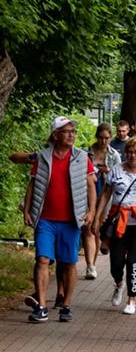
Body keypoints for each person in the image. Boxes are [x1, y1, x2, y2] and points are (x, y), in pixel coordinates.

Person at [23, 117, 96, 323]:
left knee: (69, 263)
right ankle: (42, 306)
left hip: (71, 220)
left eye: (73, 131)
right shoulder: (43, 157)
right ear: (56, 135)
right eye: (66, 131)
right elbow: (33, 184)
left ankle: (66, 305)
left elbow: (91, 185)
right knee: (42, 259)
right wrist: (27, 210)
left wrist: (91, 212)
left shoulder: (82, 157)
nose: (72, 135)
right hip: (45, 219)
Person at [96, 136, 136, 315]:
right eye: (130, 152)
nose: (133, 155)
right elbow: (106, 193)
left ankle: (131, 299)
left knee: (132, 261)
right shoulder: (116, 170)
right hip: (119, 220)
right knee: (116, 262)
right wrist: (98, 217)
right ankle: (119, 283)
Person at [84, 123, 121, 278]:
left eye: (106, 138)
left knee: (96, 228)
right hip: (87, 193)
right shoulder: (86, 153)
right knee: (87, 227)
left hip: (105, 195)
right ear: (96, 137)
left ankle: (94, 261)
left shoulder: (114, 155)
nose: (103, 141)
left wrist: (107, 170)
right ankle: (90, 266)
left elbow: (118, 176)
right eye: (101, 138)